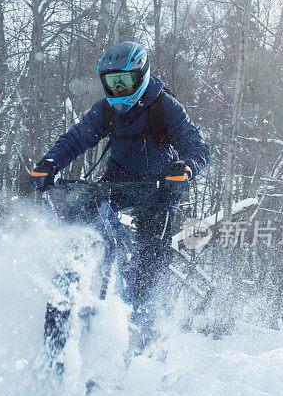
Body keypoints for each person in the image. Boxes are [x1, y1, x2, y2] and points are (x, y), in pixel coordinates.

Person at [29, 40, 210, 352]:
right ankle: (74, 276)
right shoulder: (106, 111)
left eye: (123, 82)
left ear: (140, 77)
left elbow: (198, 148)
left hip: (159, 189)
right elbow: (75, 138)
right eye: (110, 84)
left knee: (151, 259)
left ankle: (145, 331)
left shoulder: (164, 107)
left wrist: (185, 168)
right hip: (119, 179)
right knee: (82, 214)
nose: (117, 92)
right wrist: (50, 163)